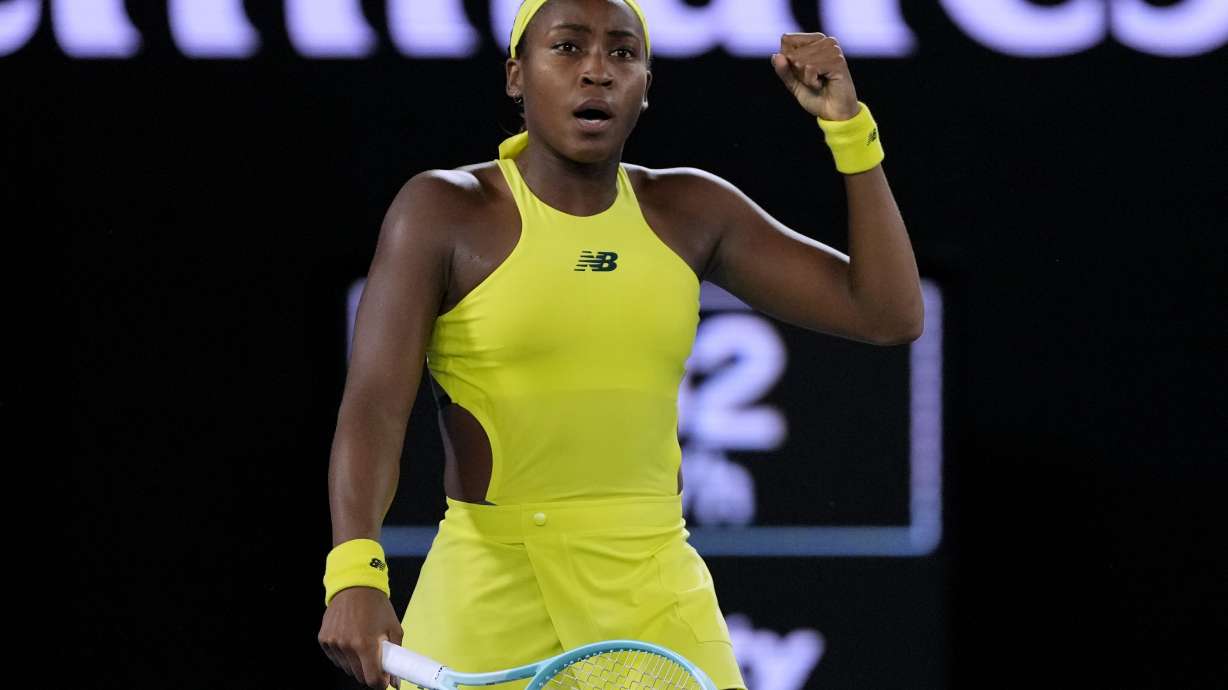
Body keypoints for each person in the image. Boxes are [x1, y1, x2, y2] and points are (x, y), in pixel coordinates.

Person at [317, 0, 922, 687]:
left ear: (646, 86)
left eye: (623, 53)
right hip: (486, 583)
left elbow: (887, 312)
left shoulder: (691, 210)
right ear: (517, 76)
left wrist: (849, 129)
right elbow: (373, 406)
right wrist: (354, 569)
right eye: (568, 48)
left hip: (655, 588)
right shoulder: (443, 211)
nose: (597, 72)